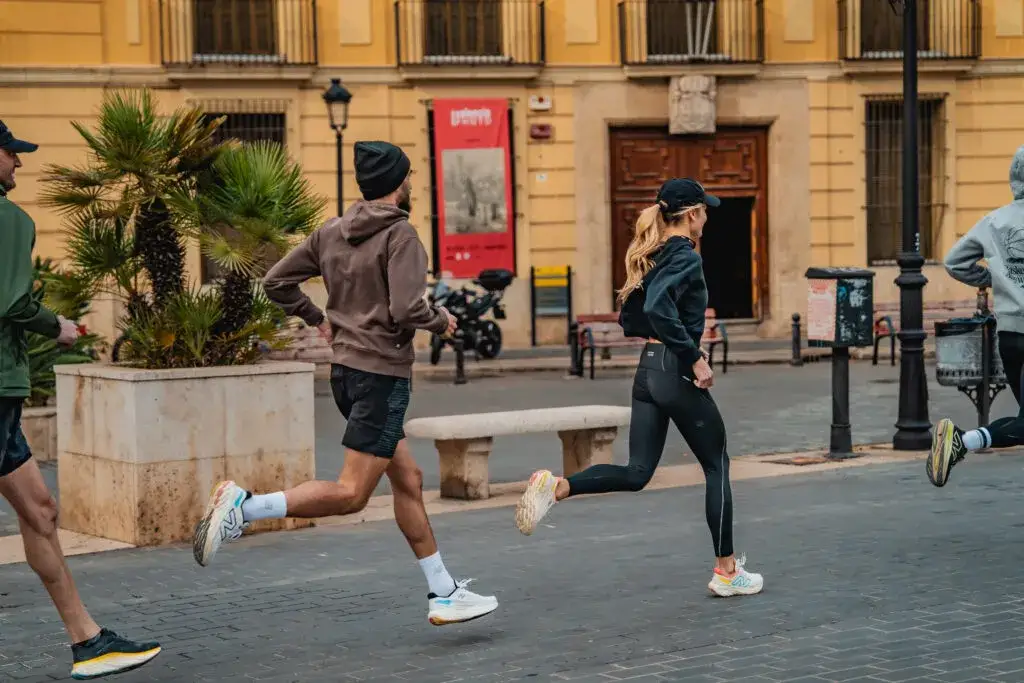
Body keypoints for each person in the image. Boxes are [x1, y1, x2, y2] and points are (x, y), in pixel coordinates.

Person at [192, 140, 499, 626]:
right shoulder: (403, 237)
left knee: (409, 479)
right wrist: (440, 320)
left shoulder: (331, 232)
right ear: (400, 183)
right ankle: (245, 507)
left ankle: (443, 591)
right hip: (381, 377)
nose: (412, 183)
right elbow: (406, 309)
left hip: (345, 375)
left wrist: (319, 318)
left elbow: (276, 281)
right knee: (353, 492)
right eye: (410, 176)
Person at [513, 178, 764, 598]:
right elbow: (654, 307)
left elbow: (633, 317)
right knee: (717, 464)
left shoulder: (656, 254)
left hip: (648, 368)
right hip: (672, 367)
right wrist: (693, 357)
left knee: (637, 473)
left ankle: (556, 486)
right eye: (705, 211)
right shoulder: (684, 255)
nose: (707, 218)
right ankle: (727, 570)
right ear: (690, 215)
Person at [0, 121, 162, 679]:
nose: (17, 164)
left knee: (39, 511)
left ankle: (87, 641)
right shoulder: (8, 219)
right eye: (9, 154)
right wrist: (59, 327)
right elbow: (12, 302)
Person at [929, 145, 1024, 487]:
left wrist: (993, 279)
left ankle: (962, 441)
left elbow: (955, 262)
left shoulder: (994, 220)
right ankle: (961, 441)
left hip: (1011, 336)